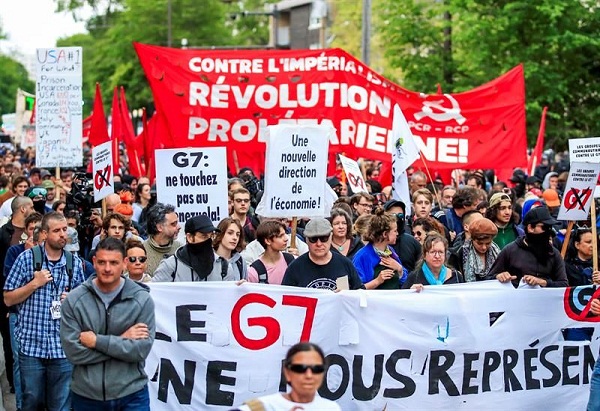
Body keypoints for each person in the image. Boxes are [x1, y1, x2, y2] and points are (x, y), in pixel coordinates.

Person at [60, 237, 155, 410]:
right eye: (102, 262)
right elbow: (74, 354)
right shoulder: (74, 300)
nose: (108, 268)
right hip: (87, 396)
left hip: (132, 395)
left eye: (114, 262)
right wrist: (122, 339)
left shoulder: (141, 299)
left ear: (125, 263)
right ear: (94, 262)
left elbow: (140, 351)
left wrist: (97, 342)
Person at [4, 212, 85, 411]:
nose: (62, 235)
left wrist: (74, 300)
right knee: (32, 401)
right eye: (56, 230)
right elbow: (7, 298)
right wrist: (34, 284)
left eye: (64, 229)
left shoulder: (74, 263)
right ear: (45, 234)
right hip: (32, 346)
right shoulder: (26, 259)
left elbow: (85, 305)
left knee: (61, 405)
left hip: (62, 347)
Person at [235, 342, 341, 411]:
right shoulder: (263, 406)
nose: (309, 375)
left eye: (316, 369)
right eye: (300, 368)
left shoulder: (331, 408)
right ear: (287, 373)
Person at [486, 207, 568, 288]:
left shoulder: (553, 253)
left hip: (544, 300)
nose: (548, 231)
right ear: (530, 228)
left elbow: (563, 284)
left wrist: (543, 282)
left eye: (550, 227)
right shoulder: (510, 251)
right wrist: (499, 276)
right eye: (545, 227)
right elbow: (489, 279)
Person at [282, 218, 363, 290]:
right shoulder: (295, 268)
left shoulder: (345, 264)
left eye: (324, 238)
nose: (319, 244)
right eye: (313, 239)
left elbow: (359, 294)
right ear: (306, 240)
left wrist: (346, 295)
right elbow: (285, 299)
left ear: (331, 237)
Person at [152, 215, 228, 282]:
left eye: (211, 236)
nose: (209, 241)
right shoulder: (171, 265)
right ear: (190, 237)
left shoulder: (223, 266)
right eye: (204, 236)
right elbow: (154, 292)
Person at [352, 207, 408, 289]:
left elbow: (405, 283)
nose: (397, 233)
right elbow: (356, 289)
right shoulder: (362, 256)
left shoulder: (391, 252)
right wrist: (377, 281)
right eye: (395, 231)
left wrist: (399, 270)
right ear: (385, 234)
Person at [448, 218, 500, 282]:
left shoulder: (497, 252)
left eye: (488, 243)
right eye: (479, 243)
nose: (484, 247)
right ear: (472, 239)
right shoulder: (458, 255)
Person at [247, 220, 294, 285]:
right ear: (268, 241)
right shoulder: (254, 271)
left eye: (285, 234)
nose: (286, 239)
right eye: (280, 236)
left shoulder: (290, 260)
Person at [143, 203, 182, 275]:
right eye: (173, 224)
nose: (179, 227)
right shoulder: (141, 250)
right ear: (159, 227)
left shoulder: (180, 249)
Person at [383, 200, 421, 272]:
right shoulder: (377, 242)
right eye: (393, 215)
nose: (397, 219)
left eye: (400, 215)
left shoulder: (411, 242)